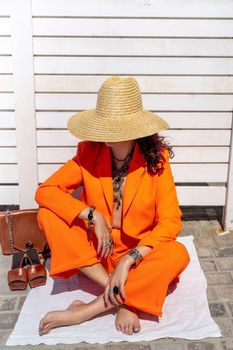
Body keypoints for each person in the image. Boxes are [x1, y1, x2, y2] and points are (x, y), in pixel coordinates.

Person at [35, 76, 190, 336]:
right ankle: (123, 296)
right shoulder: (88, 153)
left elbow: (170, 221)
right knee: (48, 215)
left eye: (113, 126)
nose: (104, 133)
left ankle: (88, 309)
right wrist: (91, 215)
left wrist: (130, 259)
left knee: (178, 253)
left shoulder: (156, 161)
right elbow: (46, 191)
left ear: (133, 129)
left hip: (136, 260)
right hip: (96, 257)